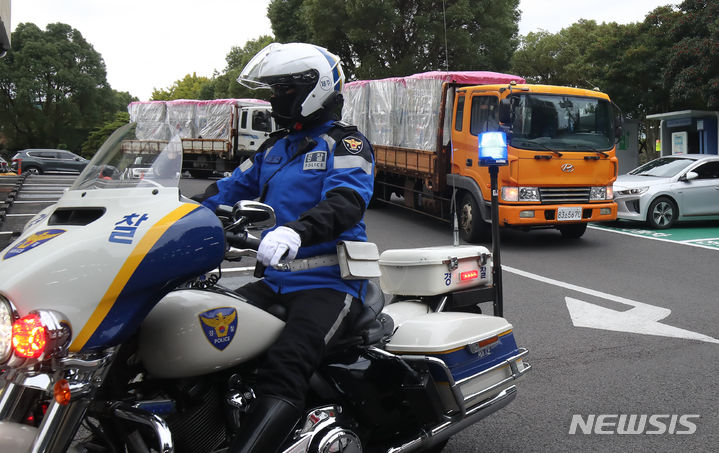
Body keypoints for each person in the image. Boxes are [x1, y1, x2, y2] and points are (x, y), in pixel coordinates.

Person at [198, 42, 375, 453]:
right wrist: (169, 213)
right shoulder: (274, 148)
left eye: (282, 89)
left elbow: (346, 201)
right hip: (274, 281)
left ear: (314, 88)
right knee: (205, 339)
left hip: (329, 283)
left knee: (284, 369)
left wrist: (297, 231)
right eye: (272, 90)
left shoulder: (346, 144)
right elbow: (224, 191)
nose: (274, 99)